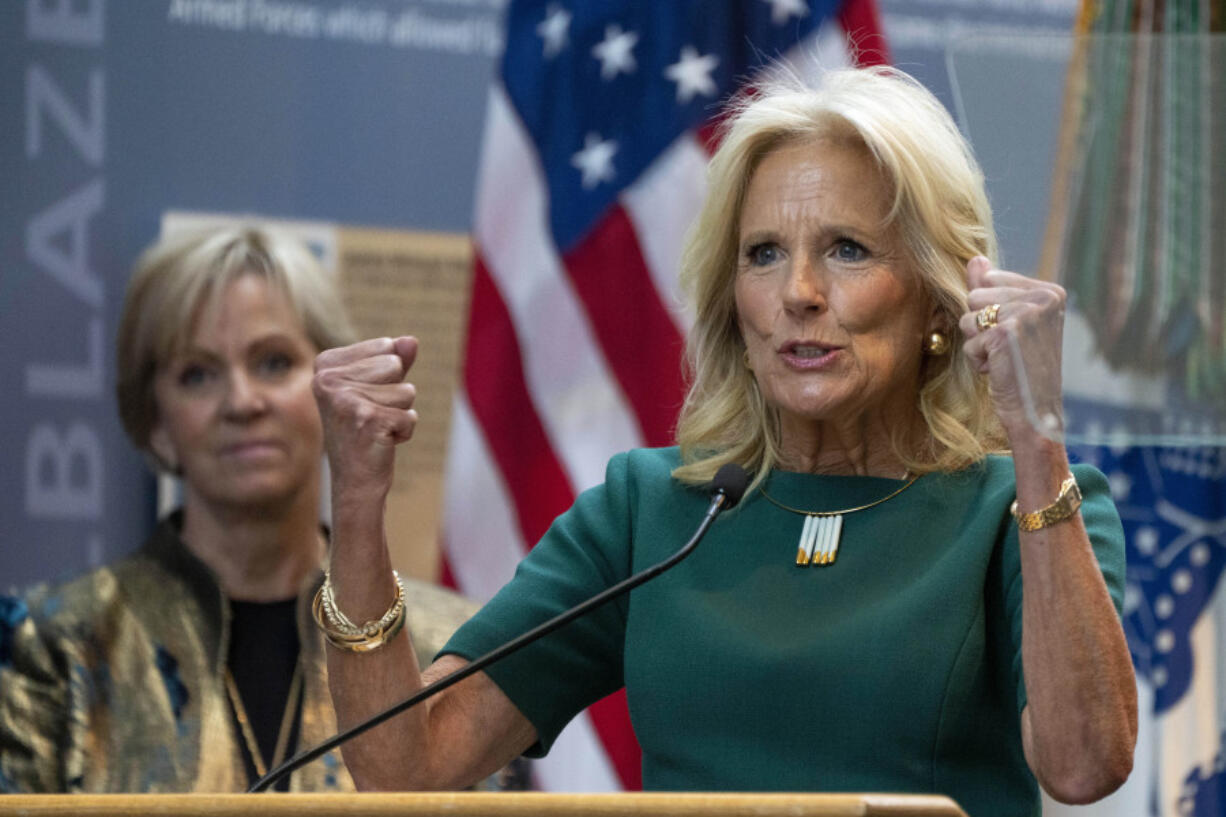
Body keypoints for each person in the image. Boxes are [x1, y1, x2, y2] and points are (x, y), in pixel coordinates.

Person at [311, 66, 1137, 816]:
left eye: (847, 250)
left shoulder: (1020, 508)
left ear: (938, 295)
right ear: (730, 301)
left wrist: (1035, 436)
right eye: (765, 254)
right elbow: (405, 763)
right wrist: (355, 500)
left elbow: (1082, 764)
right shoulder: (650, 510)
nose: (799, 293)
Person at [0, 226, 493, 793]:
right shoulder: (53, 645)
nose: (242, 402)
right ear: (157, 424)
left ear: (333, 391)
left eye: (274, 363)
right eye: (199, 374)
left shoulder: (454, 647)